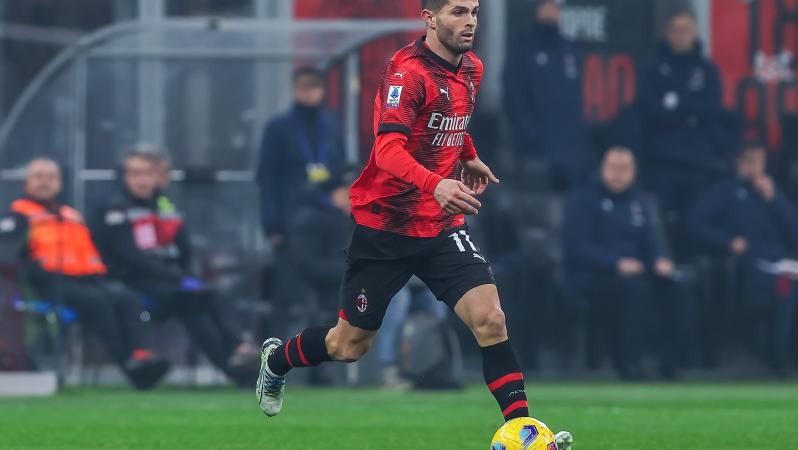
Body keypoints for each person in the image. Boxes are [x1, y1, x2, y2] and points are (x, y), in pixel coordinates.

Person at [256, 1, 572, 444]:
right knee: (348, 346)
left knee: (491, 319)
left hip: (441, 226)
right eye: (458, 12)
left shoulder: (471, 68)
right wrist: (436, 184)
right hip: (386, 227)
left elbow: (452, 120)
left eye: (475, 12)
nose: (470, 22)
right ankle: (277, 361)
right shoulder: (407, 74)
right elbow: (386, 150)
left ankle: (520, 429)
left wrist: (469, 156)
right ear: (429, 17)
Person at [0, 158, 170, 389]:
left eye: (51, 177)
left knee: (128, 299)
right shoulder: (18, 216)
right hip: (48, 284)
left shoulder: (71, 214)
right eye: (38, 177)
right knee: (98, 303)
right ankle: (129, 364)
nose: (45, 183)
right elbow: (9, 256)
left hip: (88, 278)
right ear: (26, 183)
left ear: (60, 183)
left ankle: (142, 353)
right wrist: (35, 272)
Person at [94, 151, 259, 386]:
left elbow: (184, 248)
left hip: (173, 284)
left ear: (157, 177)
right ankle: (239, 351)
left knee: (199, 310)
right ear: (125, 177)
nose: (142, 180)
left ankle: (240, 368)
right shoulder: (115, 208)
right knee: (203, 298)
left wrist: (186, 275)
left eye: (148, 173)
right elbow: (130, 257)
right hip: (136, 283)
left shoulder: (165, 205)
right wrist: (178, 278)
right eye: (135, 173)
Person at [563, 147, 678, 379]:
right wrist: (615, 263)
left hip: (637, 274)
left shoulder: (640, 202)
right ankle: (629, 365)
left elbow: (652, 240)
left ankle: (671, 365)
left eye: (624, 169)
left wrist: (659, 260)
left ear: (634, 172)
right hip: (593, 277)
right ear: (602, 169)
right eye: (613, 168)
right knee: (636, 291)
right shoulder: (582, 199)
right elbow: (576, 247)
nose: (618, 174)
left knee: (675, 289)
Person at [687, 142, 798, 374]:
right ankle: (777, 356)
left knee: (788, 282)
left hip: (781, 262)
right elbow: (696, 224)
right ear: (738, 162)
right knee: (785, 288)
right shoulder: (724, 191)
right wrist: (727, 241)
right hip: (746, 264)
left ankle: (782, 353)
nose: (755, 168)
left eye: (759, 162)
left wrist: (774, 199)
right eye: (749, 161)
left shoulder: (772, 193)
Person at [637, 9, 728, 219]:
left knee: (695, 217)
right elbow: (648, 109)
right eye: (675, 30)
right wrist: (689, 112)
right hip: (661, 158)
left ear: (695, 33)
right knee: (663, 218)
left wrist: (675, 103)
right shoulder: (652, 67)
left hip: (697, 160)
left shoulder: (707, 70)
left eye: (685, 30)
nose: (680, 35)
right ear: (667, 33)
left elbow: (712, 109)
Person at [503, 0, 594, 191]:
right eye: (547, 6)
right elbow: (514, 99)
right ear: (537, 8)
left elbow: (577, 101)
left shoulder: (570, 50)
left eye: (557, 7)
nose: (553, 11)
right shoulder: (523, 49)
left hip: (572, 154)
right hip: (536, 152)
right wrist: (530, 137)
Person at [256, 66, 347, 249]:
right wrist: (271, 224)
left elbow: (341, 168)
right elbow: (268, 176)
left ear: (322, 89)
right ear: (294, 89)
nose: (308, 91)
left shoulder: (332, 126)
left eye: (313, 86)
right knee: (293, 270)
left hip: (328, 216)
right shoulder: (278, 127)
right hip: (290, 215)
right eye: (302, 86)